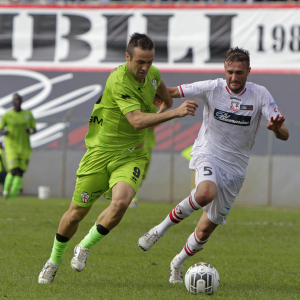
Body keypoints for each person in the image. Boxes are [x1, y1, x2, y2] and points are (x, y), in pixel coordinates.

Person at [38, 32, 198, 284]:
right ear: (127, 57)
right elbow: (135, 121)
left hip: (131, 156)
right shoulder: (118, 79)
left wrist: (164, 110)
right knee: (75, 213)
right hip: (100, 155)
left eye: (150, 61)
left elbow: (165, 96)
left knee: (122, 202)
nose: (146, 68)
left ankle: (85, 245)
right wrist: (174, 114)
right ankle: (53, 261)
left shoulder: (153, 75)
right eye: (140, 62)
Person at [138, 47, 289, 284]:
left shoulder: (260, 94)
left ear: (249, 71)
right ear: (224, 70)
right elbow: (172, 92)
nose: (234, 77)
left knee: (204, 231)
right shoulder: (212, 87)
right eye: (230, 71)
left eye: (240, 72)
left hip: (236, 170)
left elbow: (285, 134)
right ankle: (159, 229)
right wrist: (145, 90)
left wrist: (277, 128)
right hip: (208, 153)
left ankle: (176, 263)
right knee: (205, 192)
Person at [0, 93, 36, 200]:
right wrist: (4, 132)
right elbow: (0, 128)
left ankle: (13, 197)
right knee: (13, 170)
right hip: (11, 147)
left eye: (19, 100)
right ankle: (6, 192)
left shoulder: (28, 114)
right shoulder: (7, 115)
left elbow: (34, 128)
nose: (17, 102)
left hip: (24, 147)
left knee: (20, 172)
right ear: (12, 102)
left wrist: (30, 130)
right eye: (15, 100)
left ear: (21, 101)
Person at [129, 103, 158, 208]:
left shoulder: (151, 105)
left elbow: (155, 121)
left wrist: (145, 123)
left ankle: (131, 193)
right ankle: (131, 197)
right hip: (130, 142)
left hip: (146, 142)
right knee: (131, 168)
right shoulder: (129, 102)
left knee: (142, 173)